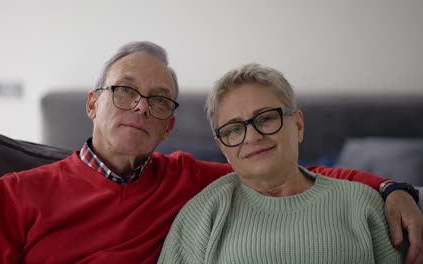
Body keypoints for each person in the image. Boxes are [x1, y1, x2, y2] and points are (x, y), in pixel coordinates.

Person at [0, 41, 422, 264]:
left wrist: (390, 187)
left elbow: (287, 171)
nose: (141, 106)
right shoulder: (17, 192)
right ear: (92, 103)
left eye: (159, 100)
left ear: (168, 127)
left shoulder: (188, 180)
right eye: (125, 90)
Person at [158, 63, 409, 264]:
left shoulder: (364, 206)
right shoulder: (202, 216)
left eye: (266, 118)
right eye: (234, 129)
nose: (253, 136)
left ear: (298, 125)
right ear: (222, 146)